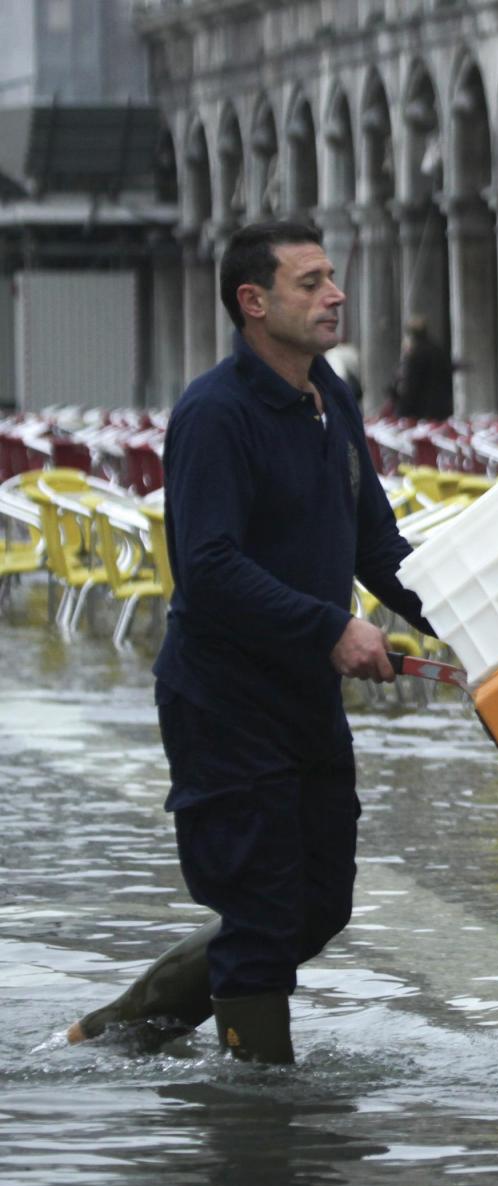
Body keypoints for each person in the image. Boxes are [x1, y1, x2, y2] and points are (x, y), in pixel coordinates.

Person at [64, 219, 432, 1065]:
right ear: (253, 302)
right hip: (224, 703)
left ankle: (119, 1030)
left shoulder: (330, 394)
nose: (334, 294)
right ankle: (261, 1117)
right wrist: (331, 626)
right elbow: (210, 567)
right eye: (310, 282)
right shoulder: (213, 415)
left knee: (320, 905)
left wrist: (475, 626)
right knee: (265, 917)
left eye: (332, 277)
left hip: (305, 696)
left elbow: (375, 543)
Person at [389, 315, 453, 421]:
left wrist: (403, 410)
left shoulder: (415, 353)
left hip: (420, 410)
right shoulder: (436, 349)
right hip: (439, 407)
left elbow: (411, 384)